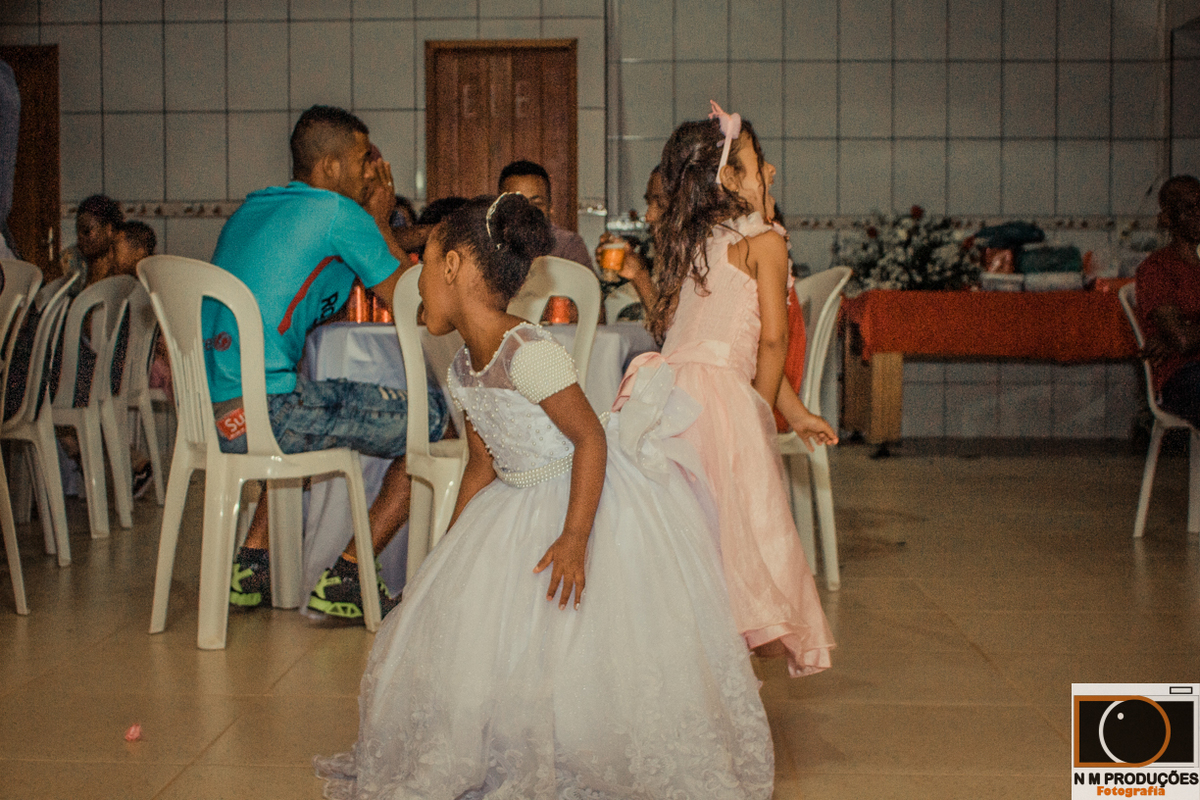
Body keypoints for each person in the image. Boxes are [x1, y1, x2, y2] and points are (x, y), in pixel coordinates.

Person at [314, 193, 773, 798]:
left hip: (583, 498)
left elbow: (589, 439)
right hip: (514, 496)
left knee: (578, 639)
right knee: (492, 635)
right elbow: (481, 464)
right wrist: (449, 554)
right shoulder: (462, 367)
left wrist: (576, 536)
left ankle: (583, 750)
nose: (414, 282)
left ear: (452, 265)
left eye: (421, 263)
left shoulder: (526, 351)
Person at [204, 105, 448, 620]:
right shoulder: (342, 216)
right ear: (331, 167)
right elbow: (416, 306)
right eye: (364, 160)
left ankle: (252, 561)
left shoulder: (256, 209)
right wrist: (380, 219)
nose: (372, 171)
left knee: (306, 385)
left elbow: (343, 256)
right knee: (434, 419)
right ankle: (350, 575)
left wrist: (406, 234)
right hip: (272, 415)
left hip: (219, 415)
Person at [625, 102, 837, 676]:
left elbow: (732, 348)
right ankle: (716, 662)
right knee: (737, 534)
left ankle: (690, 657)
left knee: (693, 529)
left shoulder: (704, 241)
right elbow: (770, 342)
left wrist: (795, 411)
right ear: (727, 181)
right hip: (720, 401)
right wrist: (760, 416)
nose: (766, 172)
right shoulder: (765, 242)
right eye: (751, 162)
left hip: (670, 392)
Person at [1136, 174, 1200, 428]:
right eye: (1188, 208)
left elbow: (1181, 337)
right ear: (1167, 219)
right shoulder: (1157, 268)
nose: (1198, 213)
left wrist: (1185, 333)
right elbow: (1181, 341)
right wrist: (1178, 338)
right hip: (1182, 375)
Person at [594, 165, 666, 320]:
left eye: (661, 204)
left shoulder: (705, 261)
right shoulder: (649, 248)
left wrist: (640, 276)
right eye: (649, 203)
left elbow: (670, 333)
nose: (649, 216)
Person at [498, 159, 591, 268]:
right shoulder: (486, 246)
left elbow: (586, 284)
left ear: (550, 207)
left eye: (536, 204)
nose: (526, 211)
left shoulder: (568, 245)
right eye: (515, 203)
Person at [60, 194, 122, 294]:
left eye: (86, 231)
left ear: (109, 229)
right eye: (78, 231)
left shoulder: (122, 261)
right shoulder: (70, 260)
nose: (80, 237)